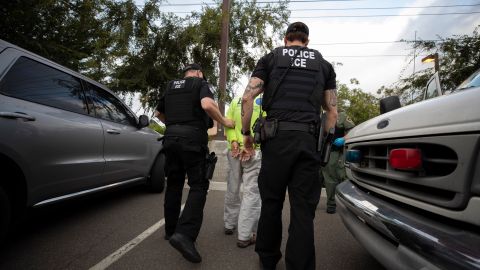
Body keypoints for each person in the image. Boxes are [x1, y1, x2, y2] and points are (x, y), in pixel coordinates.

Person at [241, 22, 338, 270]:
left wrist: (246, 135)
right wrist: (323, 144)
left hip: (276, 141)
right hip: (308, 142)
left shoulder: (271, 58)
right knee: (303, 209)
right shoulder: (324, 65)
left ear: (286, 39)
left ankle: (268, 259)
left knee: (271, 202)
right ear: (307, 40)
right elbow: (332, 112)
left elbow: (247, 97)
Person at [154, 63, 234, 263]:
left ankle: (170, 231)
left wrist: (174, 125)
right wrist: (224, 121)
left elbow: (158, 114)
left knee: (174, 184)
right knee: (198, 186)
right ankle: (185, 234)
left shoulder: (171, 86)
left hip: (170, 139)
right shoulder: (200, 83)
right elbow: (207, 105)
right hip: (192, 141)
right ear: (199, 73)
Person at [224, 95, 263, 248]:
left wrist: (234, 141)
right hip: (253, 151)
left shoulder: (236, 100)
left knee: (232, 187)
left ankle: (229, 224)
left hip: (233, 149)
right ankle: (245, 235)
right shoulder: (264, 102)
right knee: (251, 192)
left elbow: (229, 123)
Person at [321, 111, 355, 214]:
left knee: (338, 178)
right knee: (324, 179)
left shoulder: (342, 116)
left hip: (335, 152)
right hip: (320, 151)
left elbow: (353, 130)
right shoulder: (321, 116)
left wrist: (344, 139)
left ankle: (337, 204)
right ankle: (326, 204)